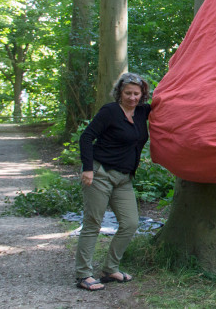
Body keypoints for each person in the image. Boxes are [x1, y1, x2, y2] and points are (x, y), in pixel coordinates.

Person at [75, 73, 151, 291]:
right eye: (128, 93)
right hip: (100, 174)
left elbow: (168, 103)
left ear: (142, 94)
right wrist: (88, 169)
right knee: (93, 224)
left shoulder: (142, 112)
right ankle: (83, 275)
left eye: (137, 93)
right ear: (120, 92)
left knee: (130, 223)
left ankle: (110, 269)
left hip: (124, 179)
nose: (132, 98)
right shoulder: (110, 111)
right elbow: (86, 137)